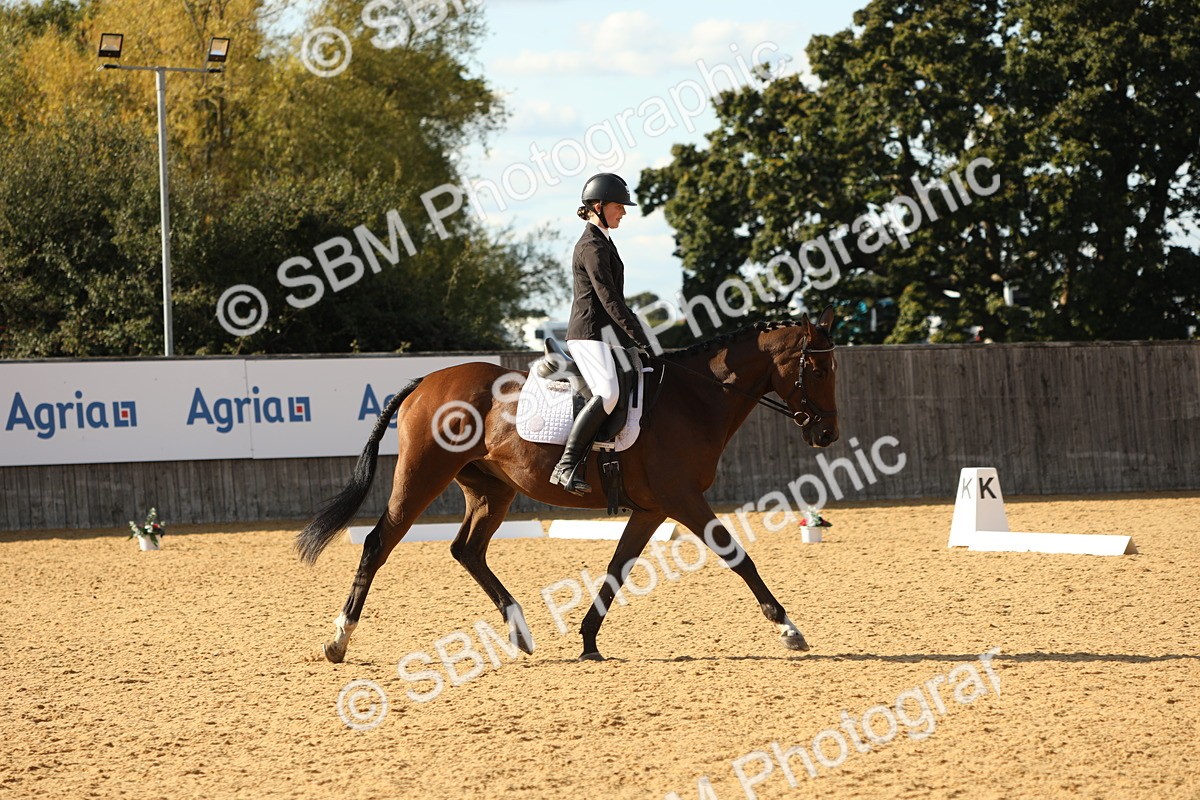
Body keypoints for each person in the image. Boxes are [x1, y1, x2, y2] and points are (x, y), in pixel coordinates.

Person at [549, 172, 653, 496]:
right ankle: (565, 465)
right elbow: (609, 299)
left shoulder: (604, 240)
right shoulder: (591, 246)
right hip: (588, 333)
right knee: (608, 393)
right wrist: (640, 337)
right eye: (618, 205)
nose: (623, 211)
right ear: (598, 206)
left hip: (604, 334)